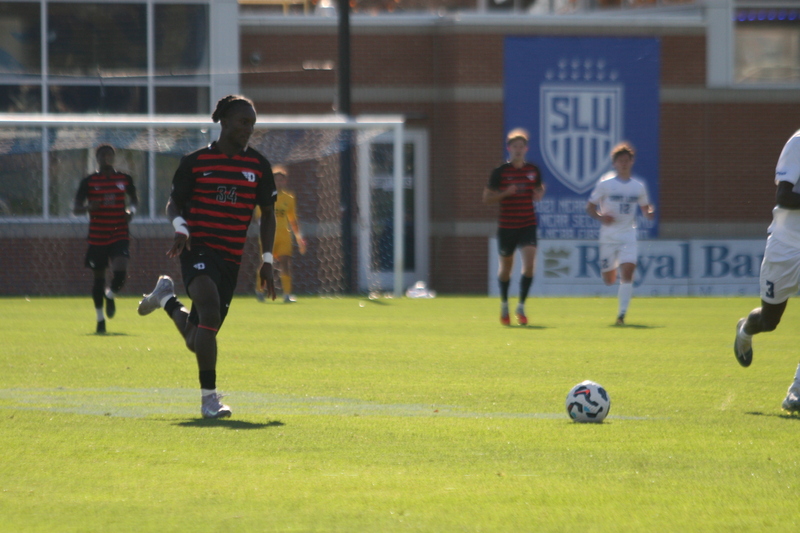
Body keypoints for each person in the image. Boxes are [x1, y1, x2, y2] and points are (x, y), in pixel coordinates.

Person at [137, 95, 277, 419]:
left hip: (230, 257)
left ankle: (166, 299)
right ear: (224, 122)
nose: (249, 129)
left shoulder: (258, 167)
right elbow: (173, 203)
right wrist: (181, 226)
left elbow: (268, 214)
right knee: (210, 310)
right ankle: (209, 399)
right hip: (197, 248)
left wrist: (267, 260)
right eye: (244, 122)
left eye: (252, 124)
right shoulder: (196, 162)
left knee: (196, 335)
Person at [734, 129, 800, 413]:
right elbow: (784, 196)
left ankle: (795, 392)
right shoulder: (798, 142)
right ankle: (745, 331)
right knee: (769, 321)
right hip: (786, 247)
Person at [585, 142, 655, 326]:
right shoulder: (606, 184)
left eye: (627, 160)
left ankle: (621, 315)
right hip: (608, 236)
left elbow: (645, 208)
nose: (624, 163)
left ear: (632, 162)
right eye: (620, 160)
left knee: (628, 271)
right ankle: (610, 270)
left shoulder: (638, 187)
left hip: (628, 235)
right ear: (614, 163)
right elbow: (590, 207)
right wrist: (601, 217)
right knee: (609, 279)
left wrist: (649, 213)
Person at [483, 128, 545, 326]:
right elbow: (486, 199)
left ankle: (521, 306)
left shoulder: (533, 170)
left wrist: (539, 193)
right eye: (514, 146)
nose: (518, 150)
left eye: (521, 146)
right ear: (509, 148)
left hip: (527, 224)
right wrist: (505, 194)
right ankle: (503, 304)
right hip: (507, 226)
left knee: (529, 265)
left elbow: (539, 186)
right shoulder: (500, 172)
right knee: (506, 268)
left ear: (525, 149)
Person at [73, 144, 138, 334]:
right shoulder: (89, 181)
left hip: (119, 233)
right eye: (103, 155)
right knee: (98, 279)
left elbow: (134, 200)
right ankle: (100, 320)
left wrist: (130, 211)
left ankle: (111, 295)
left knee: (120, 272)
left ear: (114, 157)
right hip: (97, 237)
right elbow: (76, 208)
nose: (106, 158)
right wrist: (88, 208)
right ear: (97, 158)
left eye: (110, 155)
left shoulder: (124, 179)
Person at [254, 165, 306, 303]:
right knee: (266, 262)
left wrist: (299, 238)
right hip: (268, 237)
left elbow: (293, 219)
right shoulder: (264, 196)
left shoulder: (289, 198)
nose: (278, 183)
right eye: (276, 180)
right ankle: (259, 291)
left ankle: (287, 295)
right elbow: (259, 218)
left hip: (284, 236)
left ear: (285, 181)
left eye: (281, 180)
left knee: (285, 263)